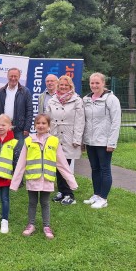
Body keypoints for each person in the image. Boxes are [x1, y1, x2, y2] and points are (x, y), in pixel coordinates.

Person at [10, 114, 78, 239]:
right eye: (38, 123)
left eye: (44, 123)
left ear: (49, 126)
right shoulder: (28, 141)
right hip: (33, 178)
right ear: (35, 125)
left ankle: (46, 226)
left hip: (47, 179)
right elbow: (21, 163)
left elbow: (62, 163)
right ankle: (31, 225)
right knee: (32, 202)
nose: (41, 125)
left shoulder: (54, 141)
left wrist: (71, 182)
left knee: (45, 202)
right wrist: (15, 183)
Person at [82, 72, 121, 209]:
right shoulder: (85, 99)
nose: (94, 85)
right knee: (94, 168)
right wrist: (83, 140)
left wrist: (112, 142)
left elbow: (116, 122)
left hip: (104, 142)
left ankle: (103, 198)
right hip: (90, 141)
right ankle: (96, 194)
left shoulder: (111, 99)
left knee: (105, 169)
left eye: (97, 83)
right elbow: (83, 121)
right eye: (92, 83)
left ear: (103, 84)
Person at [46, 75, 85, 205]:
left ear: (70, 87)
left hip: (69, 136)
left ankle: (70, 194)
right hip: (55, 136)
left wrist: (77, 139)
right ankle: (62, 191)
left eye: (66, 85)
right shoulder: (52, 100)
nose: (63, 87)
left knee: (65, 166)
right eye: (61, 85)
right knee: (57, 165)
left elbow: (80, 121)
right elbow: (47, 119)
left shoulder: (77, 100)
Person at [0, 67, 33, 140]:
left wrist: (27, 128)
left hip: (19, 129)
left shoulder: (25, 91)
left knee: (18, 151)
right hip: (3, 128)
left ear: (19, 77)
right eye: (11, 76)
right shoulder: (1, 91)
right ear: (7, 76)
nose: (13, 78)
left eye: (15, 76)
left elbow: (29, 111)